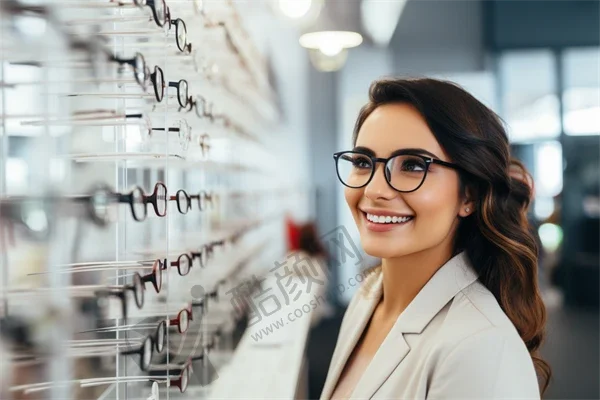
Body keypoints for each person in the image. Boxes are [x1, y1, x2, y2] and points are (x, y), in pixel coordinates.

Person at [321, 78, 550, 399]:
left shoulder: (481, 347)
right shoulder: (370, 295)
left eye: (413, 165)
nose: (374, 190)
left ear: (469, 195)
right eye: (363, 162)